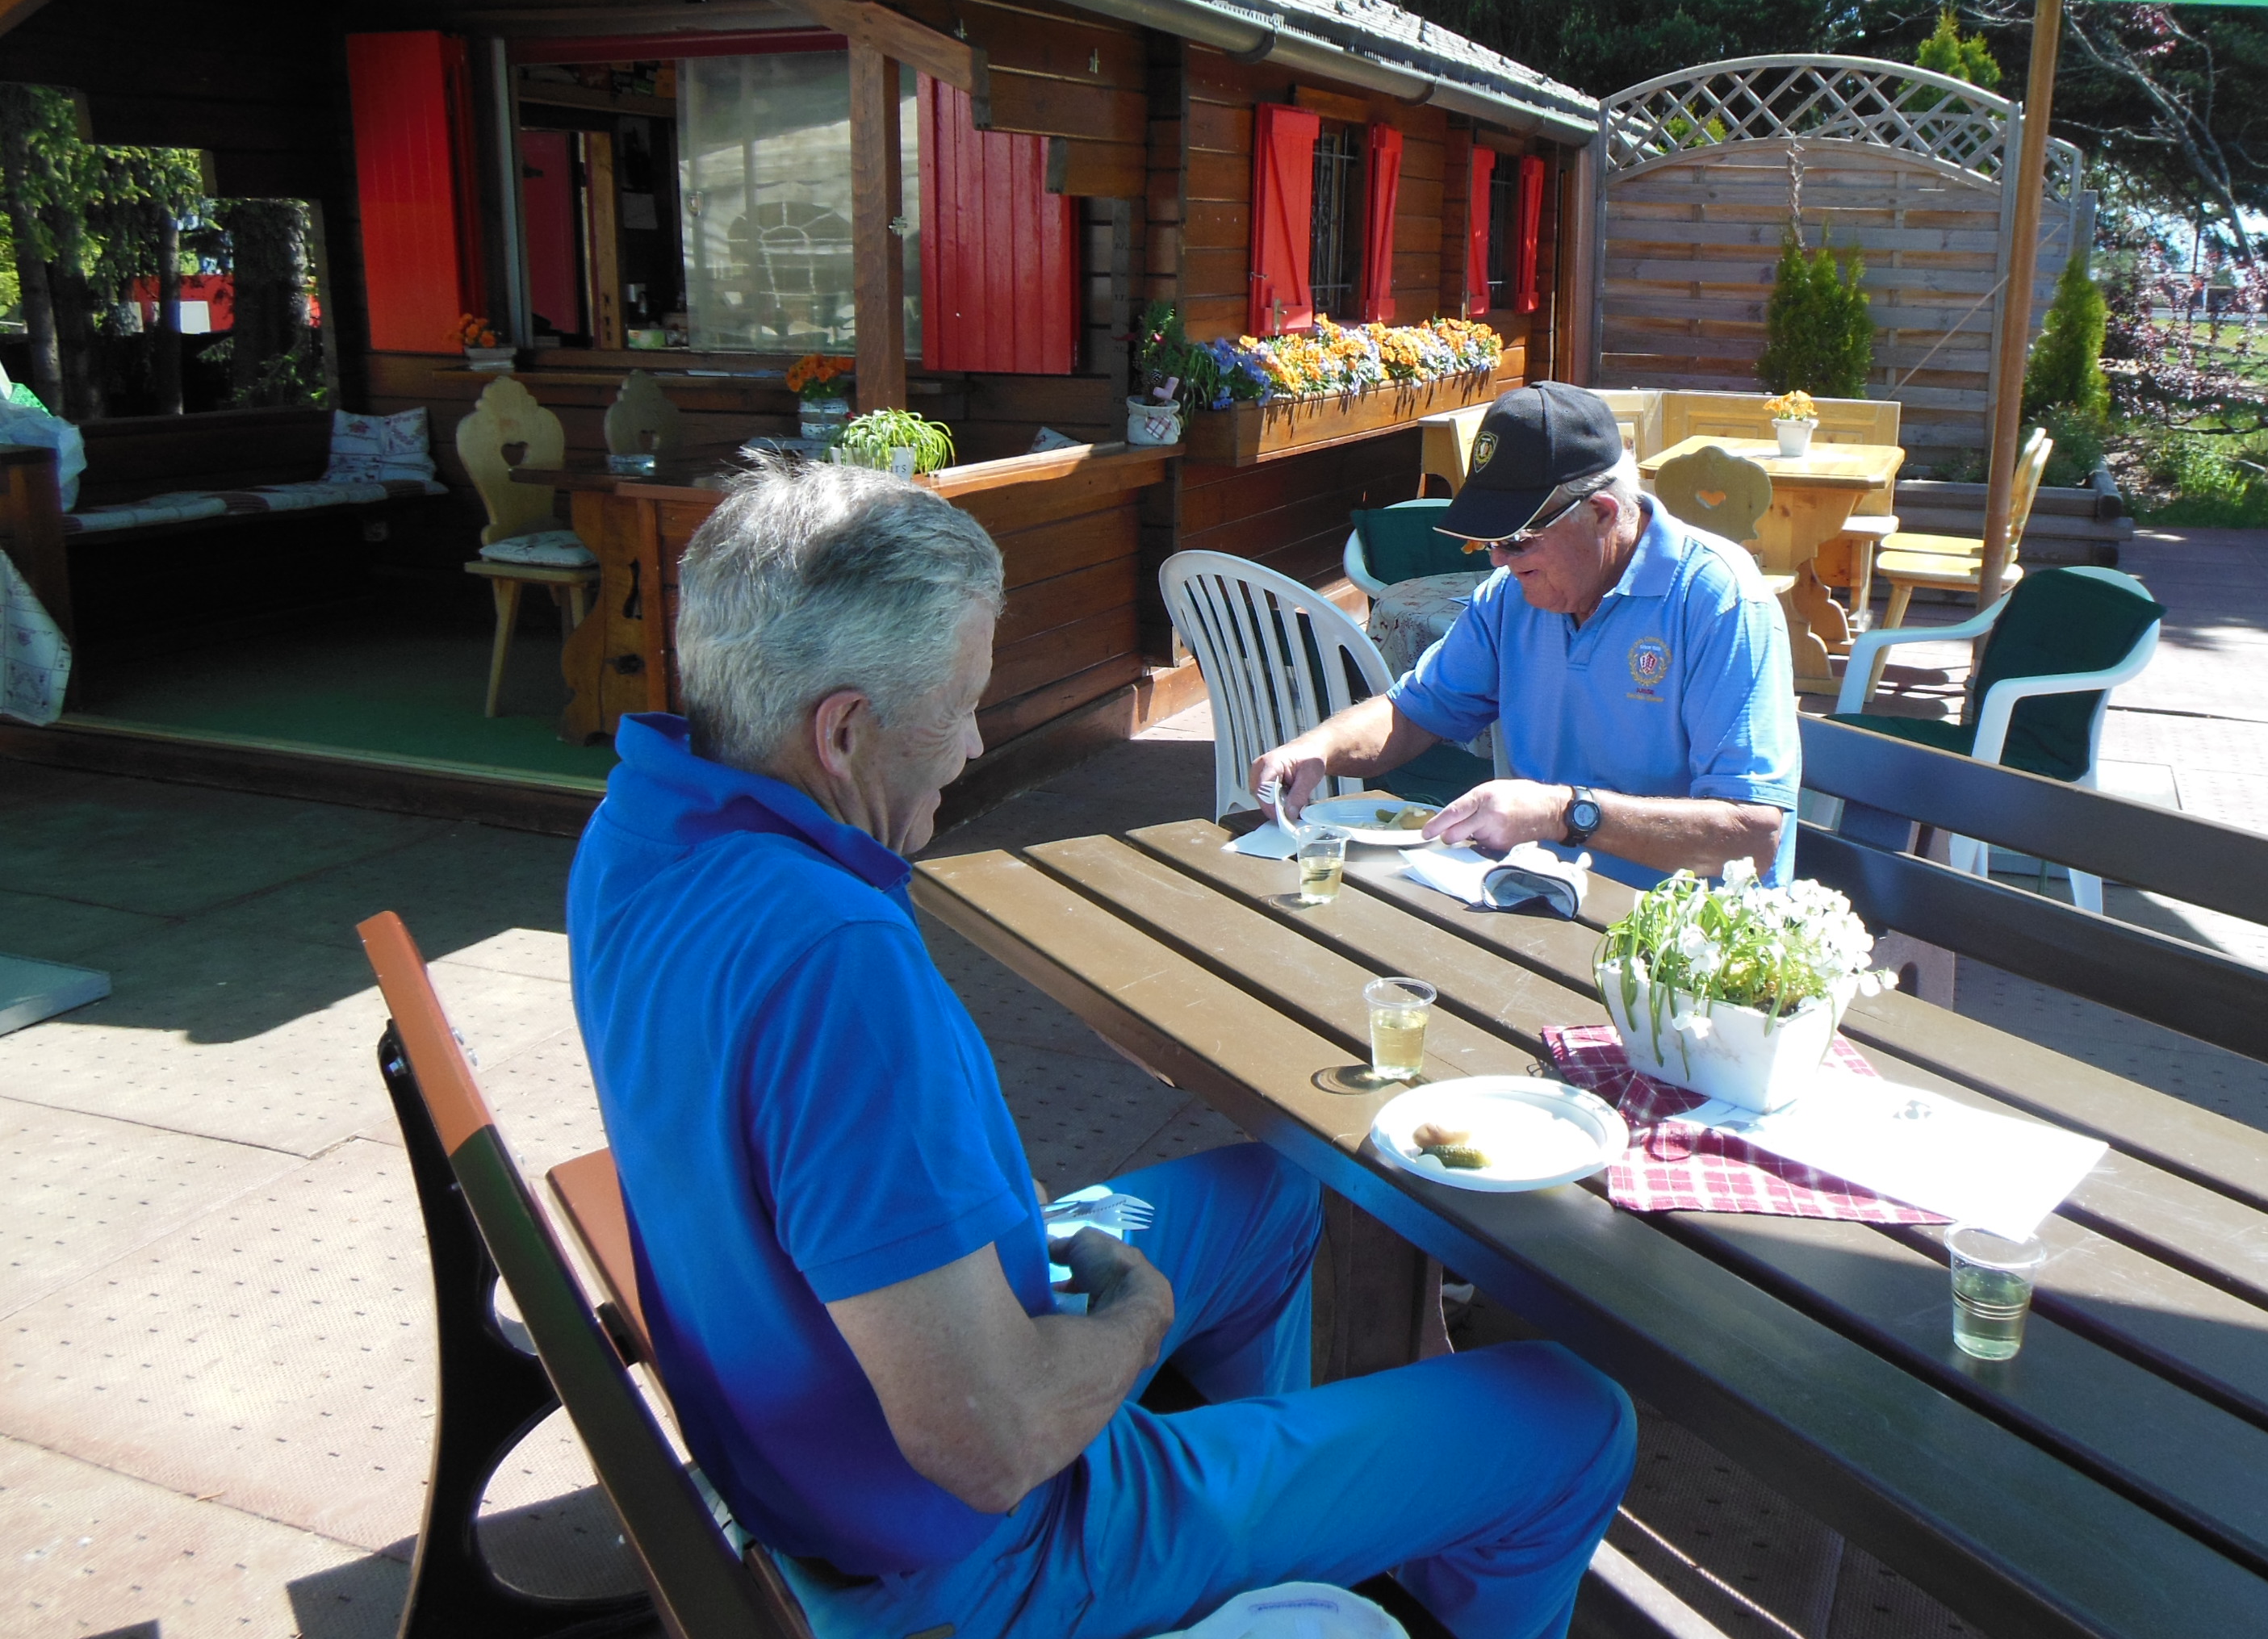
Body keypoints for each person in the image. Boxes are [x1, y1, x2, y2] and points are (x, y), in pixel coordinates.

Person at [567, 462, 1634, 1639]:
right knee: (1574, 1414)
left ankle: (1310, 1534)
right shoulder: (833, 958)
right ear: (844, 731)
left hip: (803, 1406)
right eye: (960, 706)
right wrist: (1134, 1322)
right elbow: (993, 1446)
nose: (972, 744)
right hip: (983, 1551)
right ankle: (1237, 1529)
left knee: (1287, 1195)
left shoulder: (638, 825)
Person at [1253, 383, 1801, 888]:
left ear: (1602, 513)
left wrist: (1564, 814)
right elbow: (1416, 711)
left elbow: (1753, 836)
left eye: (1516, 538)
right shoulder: (1510, 597)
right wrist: (1318, 748)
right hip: (1538, 899)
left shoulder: (1718, 600)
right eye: (1487, 540)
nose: (1497, 559)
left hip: (1680, 933)